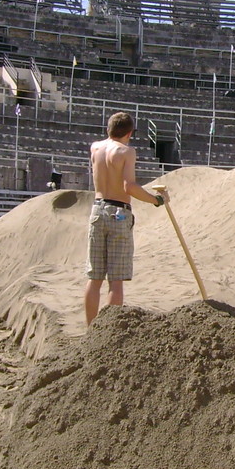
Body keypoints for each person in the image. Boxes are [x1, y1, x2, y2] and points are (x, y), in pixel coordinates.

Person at [84, 111, 167, 325]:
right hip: (118, 211)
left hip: (97, 209)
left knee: (94, 279)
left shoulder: (95, 148)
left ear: (108, 129)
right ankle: (108, 332)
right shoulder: (126, 151)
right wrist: (155, 200)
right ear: (129, 133)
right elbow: (128, 186)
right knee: (116, 281)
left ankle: (90, 330)